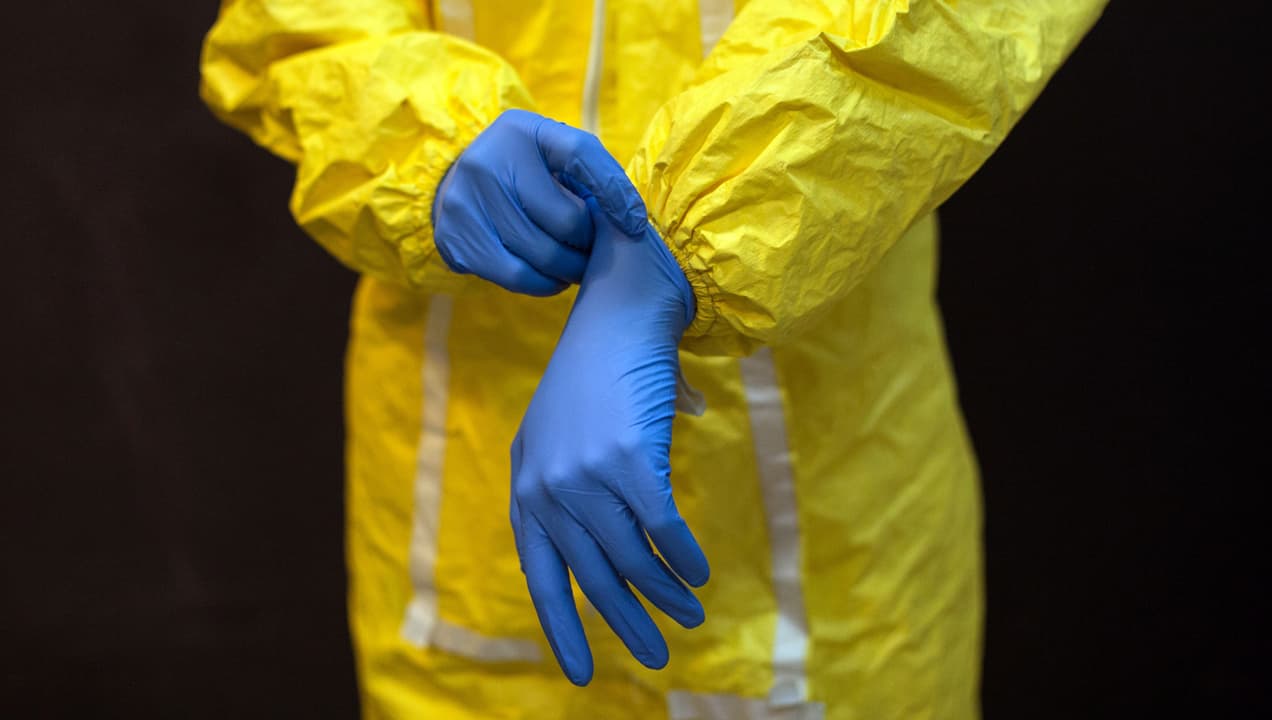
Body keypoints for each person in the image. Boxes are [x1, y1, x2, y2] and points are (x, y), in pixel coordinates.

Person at [201, 1, 1104, 717]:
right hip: (459, 515)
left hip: (829, 535)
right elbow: (305, 20)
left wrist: (679, 250)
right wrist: (424, 140)